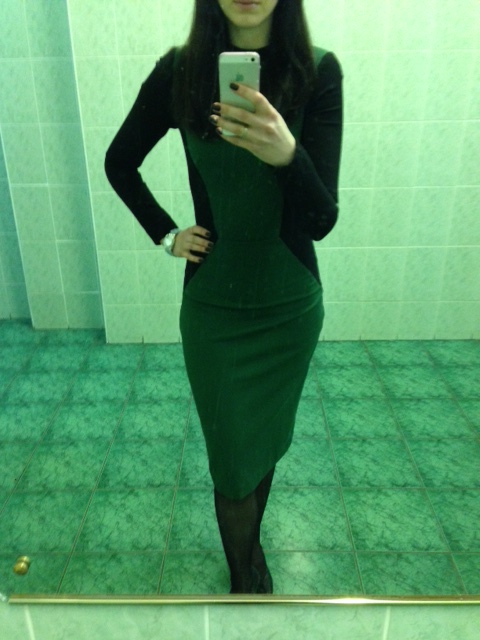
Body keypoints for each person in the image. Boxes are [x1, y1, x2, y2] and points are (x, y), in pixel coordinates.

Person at [105, 0, 343, 594]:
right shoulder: (180, 72)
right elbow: (120, 162)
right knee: (232, 459)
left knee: (262, 444)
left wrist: (286, 154)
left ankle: (252, 550)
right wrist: (166, 233)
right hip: (214, 310)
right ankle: (244, 581)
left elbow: (321, 219)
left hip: (289, 306)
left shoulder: (316, 71)